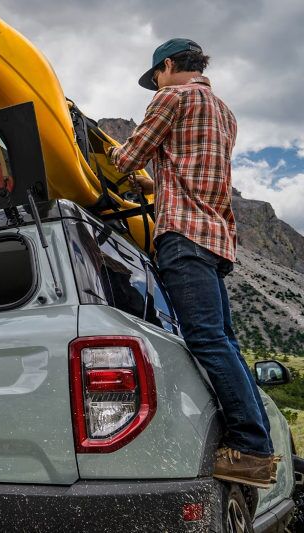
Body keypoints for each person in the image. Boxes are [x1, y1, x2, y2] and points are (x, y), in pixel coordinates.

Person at [107, 38, 277, 488]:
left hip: (182, 235)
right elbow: (188, 166)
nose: (155, 86)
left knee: (206, 341)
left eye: (155, 77)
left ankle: (251, 448)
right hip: (217, 240)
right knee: (225, 343)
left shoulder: (172, 97)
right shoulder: (224, 112)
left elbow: (127, 159)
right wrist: (157, 179)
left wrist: (109, 154)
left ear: (167, 66)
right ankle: (258, 446)